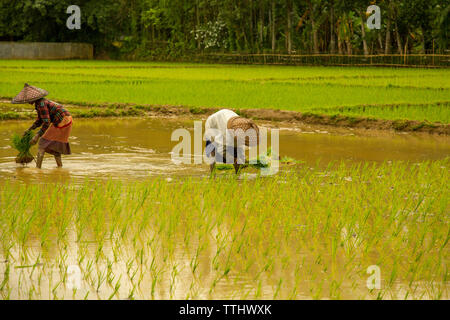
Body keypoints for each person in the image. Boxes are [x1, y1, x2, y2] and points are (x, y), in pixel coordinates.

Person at [12, 83, 73, 168]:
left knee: (42, 143)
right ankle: (59, 168)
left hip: (63, 120)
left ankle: (38, 170)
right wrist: (29, 129)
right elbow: (40, 120)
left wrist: (37, 135)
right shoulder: (39, 103)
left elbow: (46, 122)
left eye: (29, 99)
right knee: (53, 146)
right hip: (63, 120)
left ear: (34, 98)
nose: (28, 101)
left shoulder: (41, 104)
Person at [205, 109, 259, 174]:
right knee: (213, 150)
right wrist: (235, 159)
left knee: (236, 153)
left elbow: (240, 149)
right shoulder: (227, 132)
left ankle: (237, 173)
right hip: (213, 125)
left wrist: (242, 159)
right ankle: (212, 173)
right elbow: (222, 151)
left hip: (228, 123)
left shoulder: (242, 126)